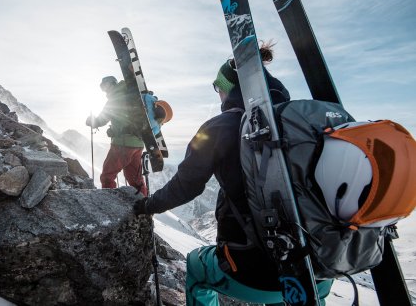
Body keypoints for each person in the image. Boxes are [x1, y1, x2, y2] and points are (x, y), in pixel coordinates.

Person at [133, 42, 333, 305]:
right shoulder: (305, 125)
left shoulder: (220, 127)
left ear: (228, 89)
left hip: (250, 272)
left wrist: (147, 206)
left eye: (218, 88)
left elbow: (186, 186)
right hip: (320, 272)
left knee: (196, 266)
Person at [86, 76, 148, 196]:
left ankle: (110, 206)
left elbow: (101, 120)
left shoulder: (115, 97)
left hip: (122, 144)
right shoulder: (131, 94)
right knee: (136, 179)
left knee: (107, 176)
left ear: (111, 84)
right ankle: (144, 206)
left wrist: (91, 121)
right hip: (138, 144)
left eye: (104, 87)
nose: (104, 91)